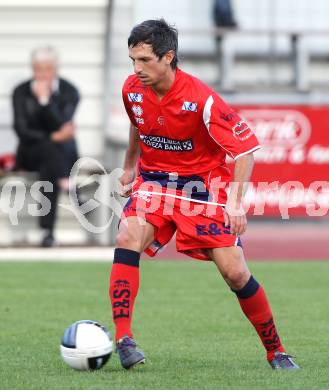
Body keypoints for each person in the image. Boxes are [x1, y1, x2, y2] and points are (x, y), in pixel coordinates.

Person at [110, 19, 299, 371]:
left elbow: (246, 152)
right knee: (127, 236)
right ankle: (124, 339)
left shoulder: (201, 99)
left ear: (168, 57)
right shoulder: (132, 89)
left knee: (235, 273)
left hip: (201, 191)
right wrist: (129, 166)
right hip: (154, 185)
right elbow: (137, 123)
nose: (137, 69)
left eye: (145, 60)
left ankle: (276, 351)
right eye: (133, 60)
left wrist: (235, 203)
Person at [12, 46, 80, 247]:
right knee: (51, 148)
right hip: (30, 152)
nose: (42, 75)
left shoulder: (70, 91)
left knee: (52, 154)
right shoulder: (21, 92)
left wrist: (43, 102)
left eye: (47, 69)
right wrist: (52, 137)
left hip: (58, 155)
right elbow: (22, 131)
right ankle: (66, 182)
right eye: (37, 69)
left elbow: (63, 125)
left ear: (55, 68)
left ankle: (48, 231)